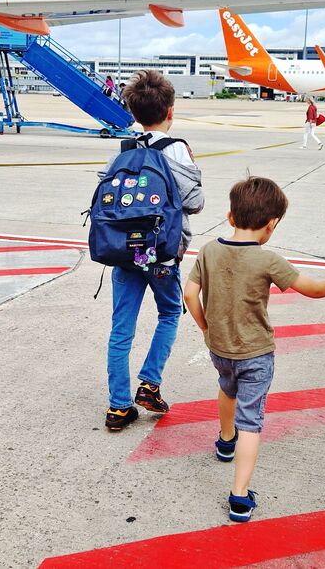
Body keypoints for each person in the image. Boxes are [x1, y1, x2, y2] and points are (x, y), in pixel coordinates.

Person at [184, 177, 325, 522]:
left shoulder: (208, 250)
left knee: (227, 388)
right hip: (255, 354)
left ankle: (225, 441)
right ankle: (239, 497)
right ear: (271, 226)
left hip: (220, 348)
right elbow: (313, 289)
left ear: (230, 215)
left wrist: (207, 329)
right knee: (251, 422)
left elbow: (190, 294)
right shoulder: (268, 260)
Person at [98, 70, 205, 431]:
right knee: (170, 312)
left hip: (122, 252)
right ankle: (149, 383)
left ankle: (118, 406)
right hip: (161, 253)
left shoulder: (125, 148)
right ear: (170, 111)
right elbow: (195, 202)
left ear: (132, 111)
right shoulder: (176, 148)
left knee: (120, 329)